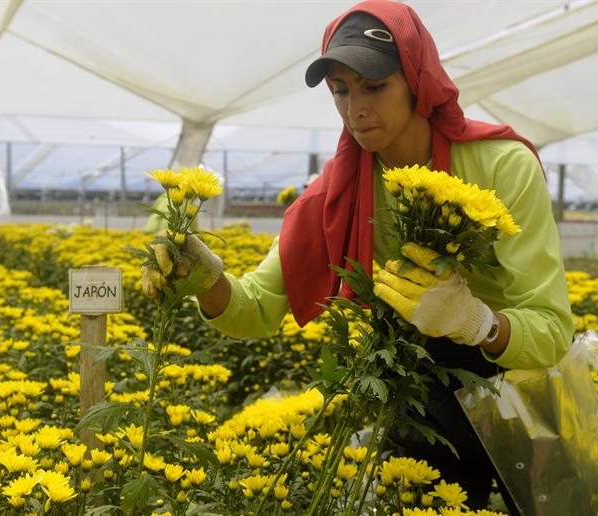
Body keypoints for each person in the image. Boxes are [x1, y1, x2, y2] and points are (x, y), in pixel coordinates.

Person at [143, 1, 573, 512]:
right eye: (340, 91)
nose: (356, 109)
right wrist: (205, 275)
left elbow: (551, 330)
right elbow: (256, 309)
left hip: (516, 403)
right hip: (413, 402)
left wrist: (476, 322)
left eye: (375, 86)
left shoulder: (503, 166)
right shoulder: (337, 194)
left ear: (418, 79)